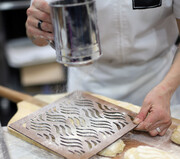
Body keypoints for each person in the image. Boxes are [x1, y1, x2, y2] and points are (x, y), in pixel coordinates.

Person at [26, 0, 180, 137]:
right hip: (90, 85)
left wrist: (165, 89)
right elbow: (38, 39)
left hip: (157, 82)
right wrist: (36, 27)